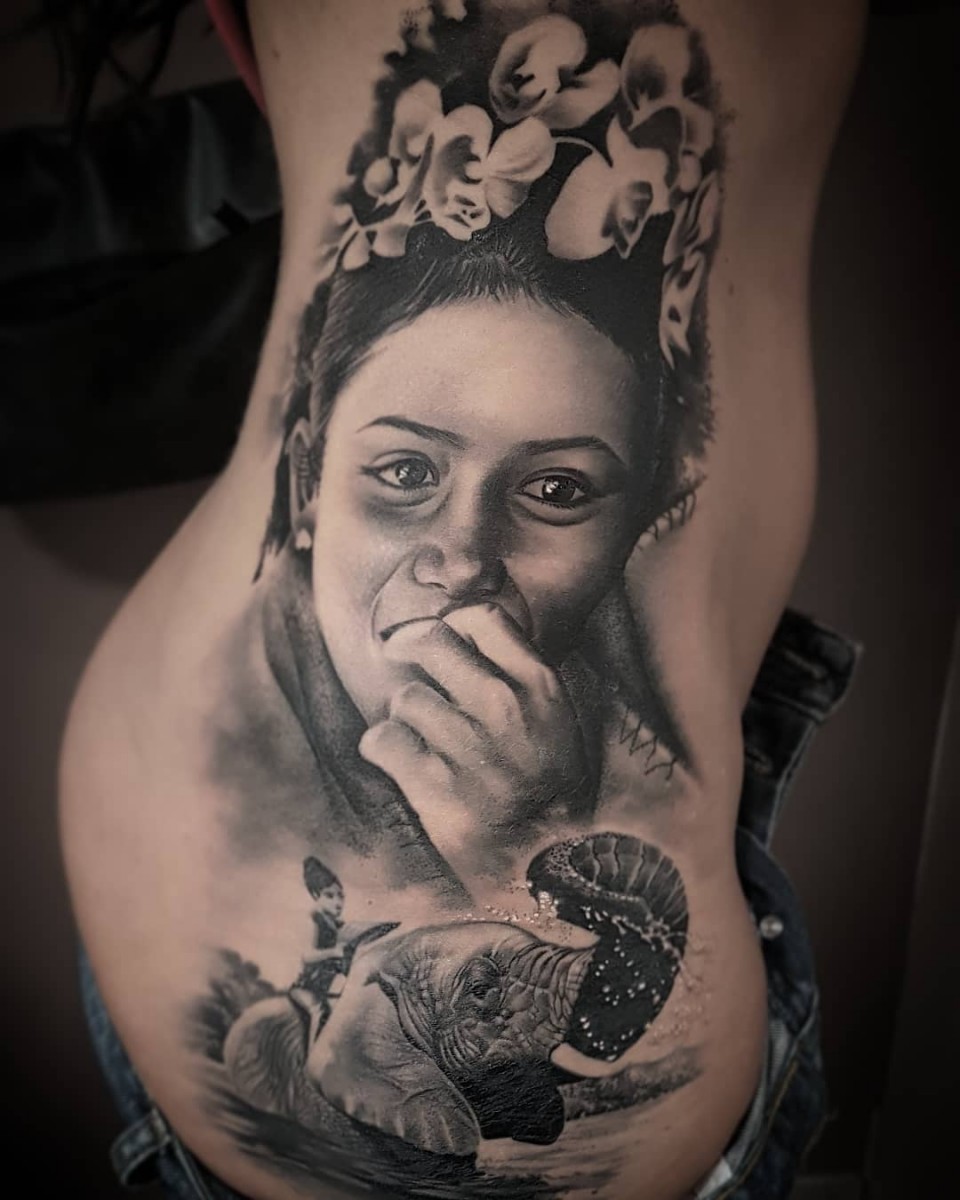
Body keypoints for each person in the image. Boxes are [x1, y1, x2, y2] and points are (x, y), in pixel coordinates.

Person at [60, 2, 867, 1199]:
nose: (462, 560)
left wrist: (528, 839)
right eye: (402, 472)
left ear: (643, 522)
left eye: (555, 490)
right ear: (307, 477)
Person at [288, 858, 346, 1047]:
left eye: (341, 896)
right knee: (320, 1011)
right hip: (306, 988)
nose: (338, 902)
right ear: (315, 895)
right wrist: (334, 952)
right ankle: (313, 1057)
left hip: (326, 988)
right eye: (329, 896)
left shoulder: (338, 926)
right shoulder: (314, 920)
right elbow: (307, 956)